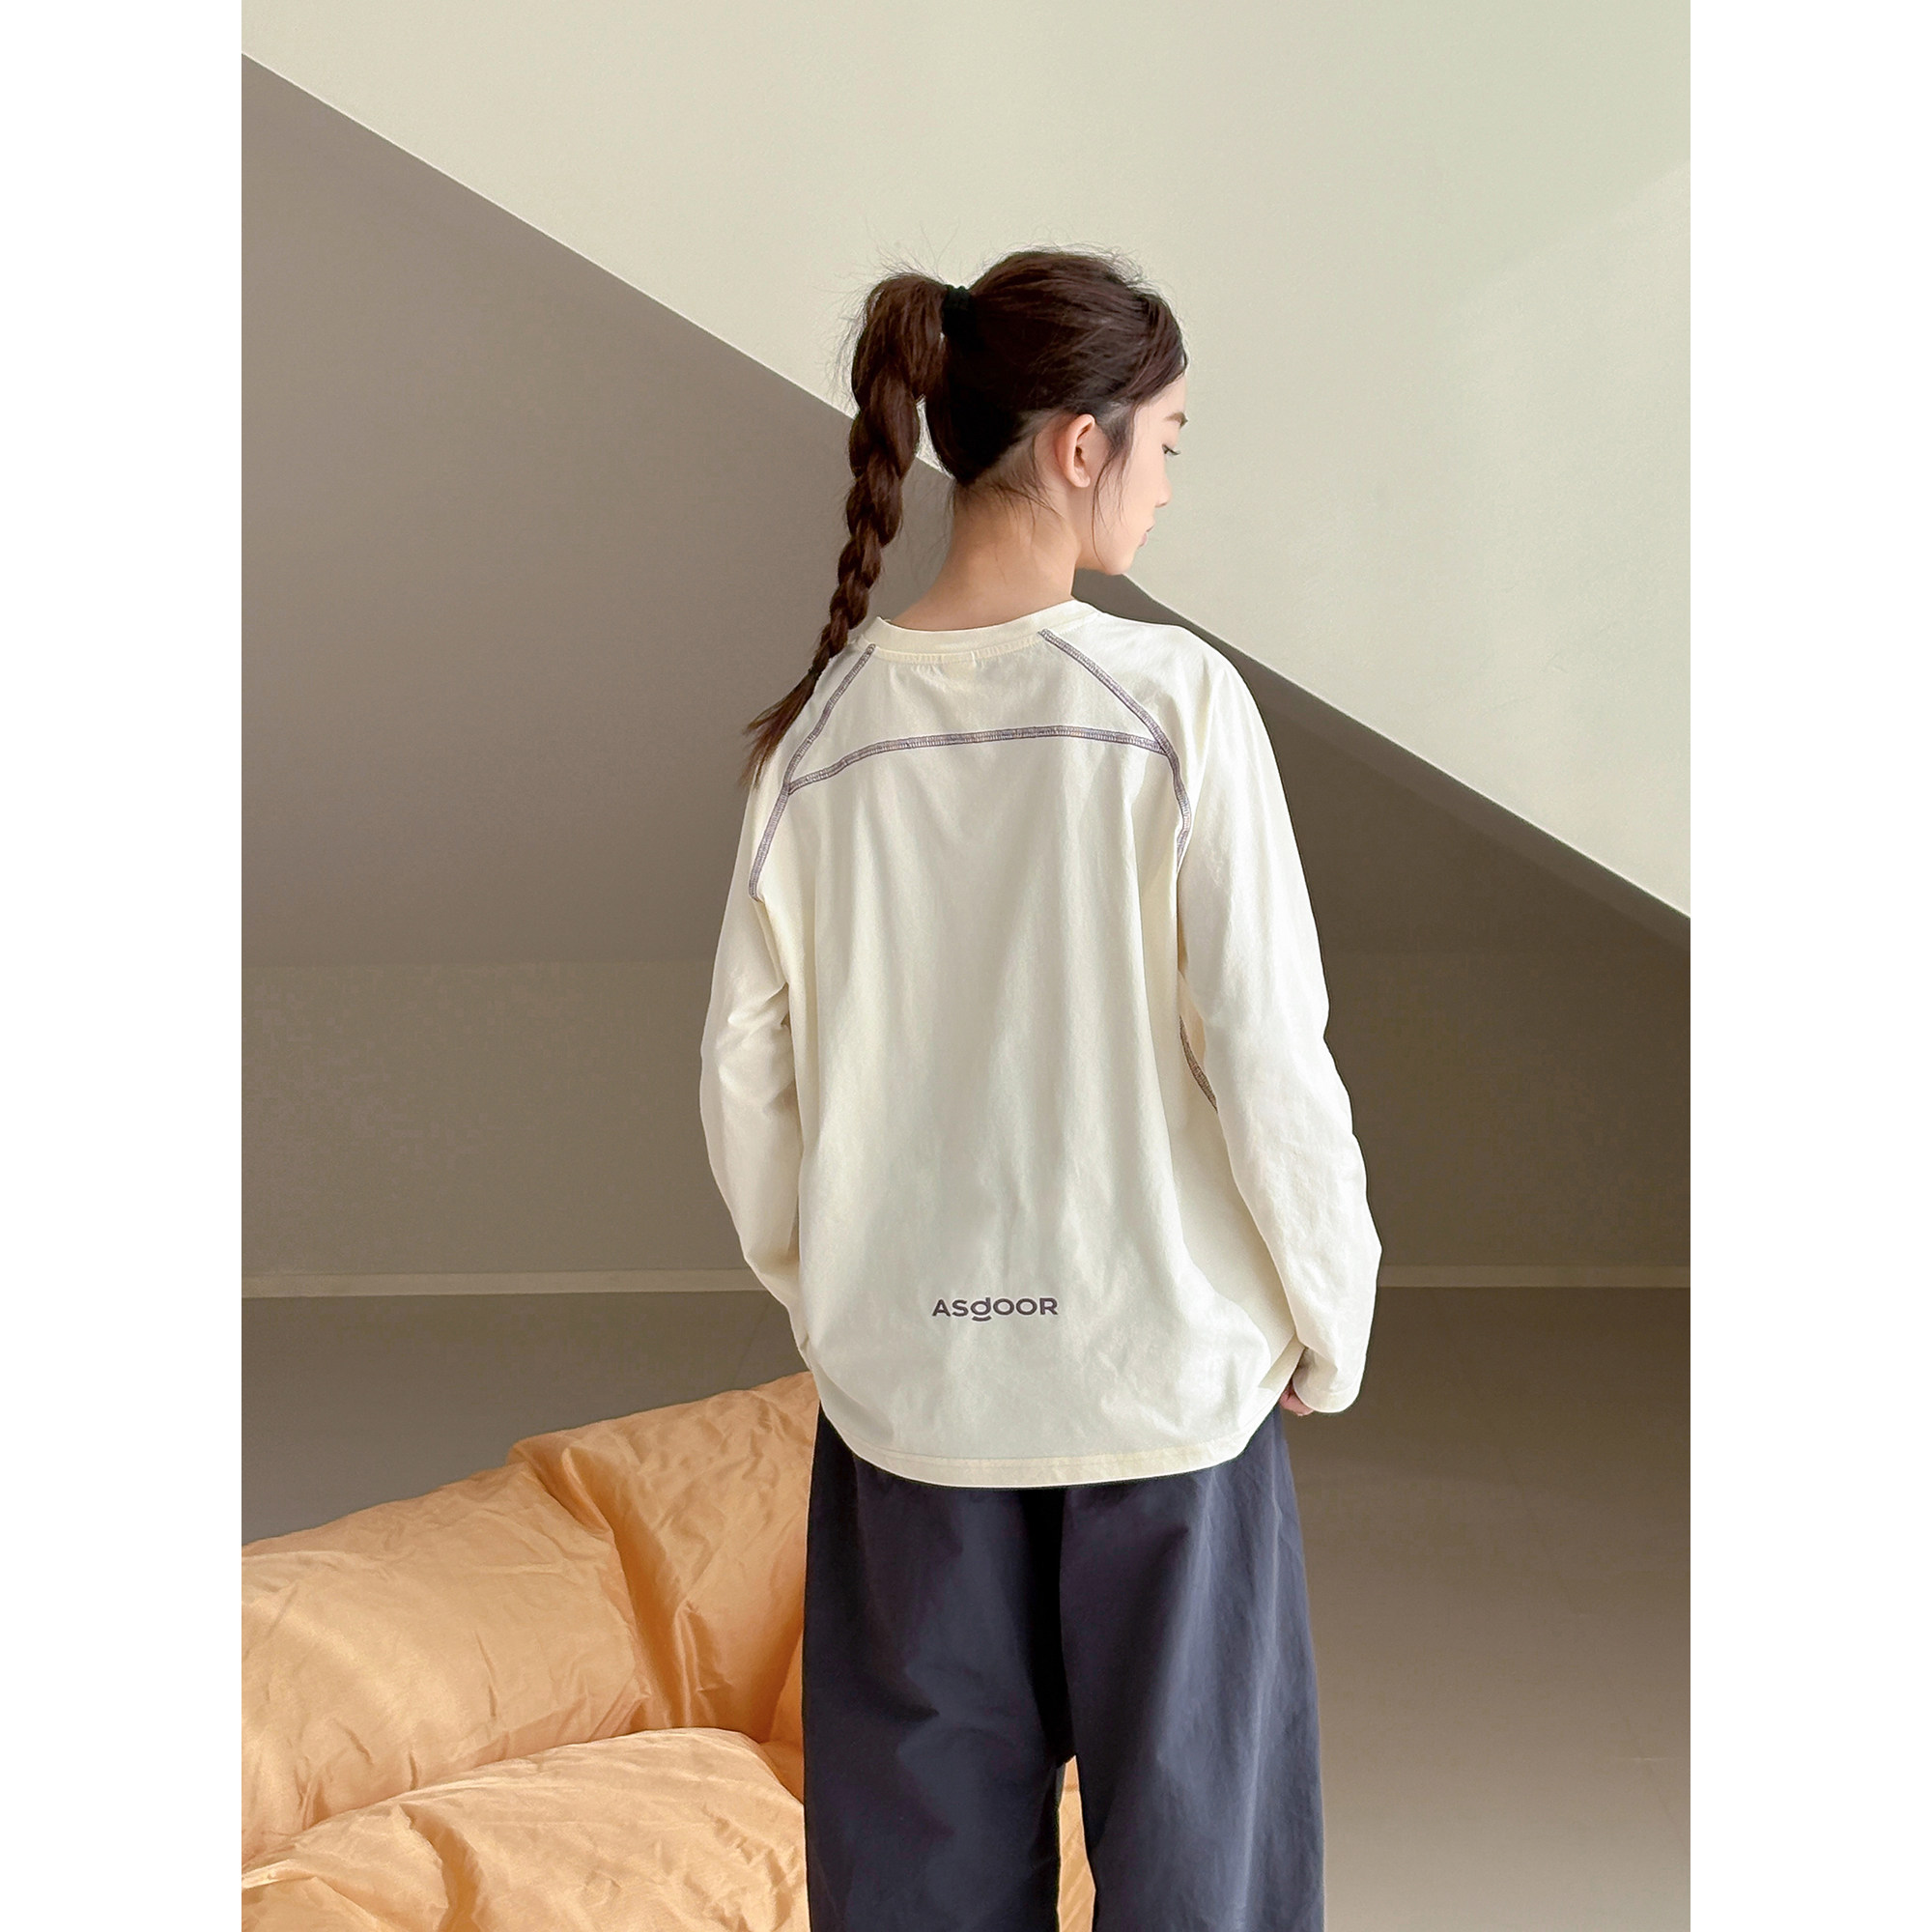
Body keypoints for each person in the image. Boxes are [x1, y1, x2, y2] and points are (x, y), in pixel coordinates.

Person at [698, 247, 1379, 1932]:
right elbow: (1267, 1047)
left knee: (916, 1895)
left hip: (916, 1410)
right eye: (1168, 443)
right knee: (1204, 1891)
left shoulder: (817, 742)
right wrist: (1326, 1317)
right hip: (1167, 1392)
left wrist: (846, 1302)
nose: (1168, 484)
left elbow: (744, 1082)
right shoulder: (1176, 703)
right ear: (1081, 446)